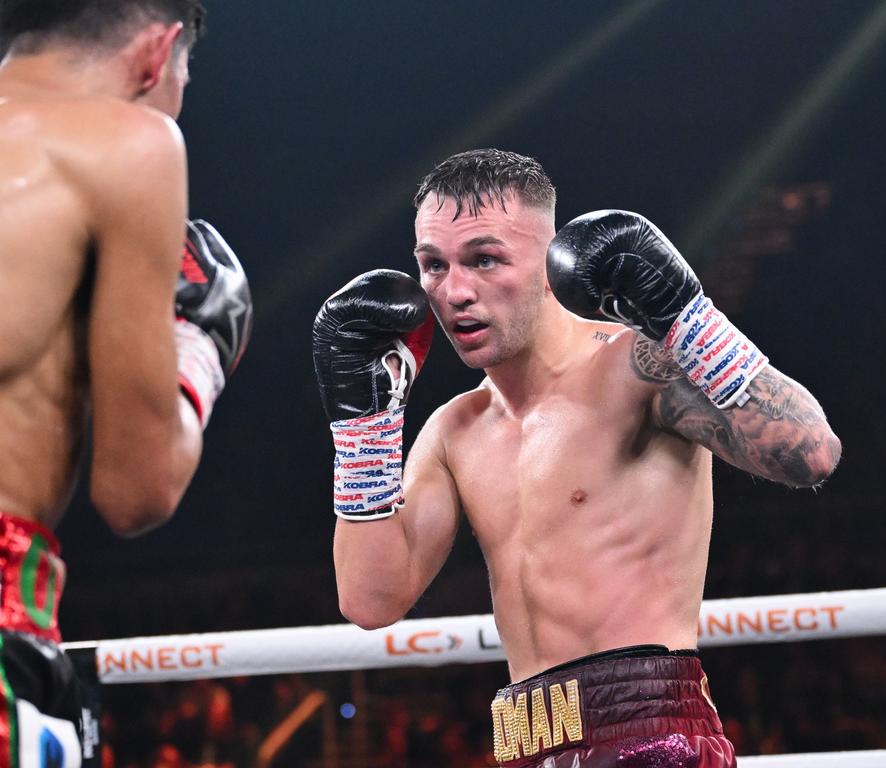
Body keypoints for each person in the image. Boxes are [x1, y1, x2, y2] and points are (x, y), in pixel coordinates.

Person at [313, 149, 840, 767]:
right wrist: (363, 428)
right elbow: (370, 601)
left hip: (649, 734)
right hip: (523, 741)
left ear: (548, 263)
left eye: (485, 259)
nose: (453, 292)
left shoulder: (634, 368)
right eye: (433, 265)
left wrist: (686, 320)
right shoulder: (454, 431)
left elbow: (811, 453)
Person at [0, 1, 252, 764]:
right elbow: (136, 491)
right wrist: (201, 348)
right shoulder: (129, 145)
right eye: (184, 75)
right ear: (159, 52)